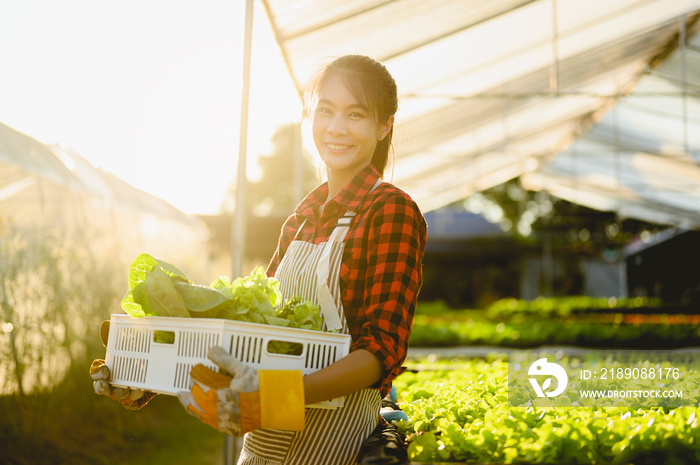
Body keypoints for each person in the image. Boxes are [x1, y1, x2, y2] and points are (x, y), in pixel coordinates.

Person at [92, 54, 427, 464]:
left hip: (334, 444)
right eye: (325, 110)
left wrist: (274, 395)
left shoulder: (391, 211)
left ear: (383, 125)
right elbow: (248, 337)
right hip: (261, 445)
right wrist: (144, 375)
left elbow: (382, 351)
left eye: (355, 114)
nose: (336, 127)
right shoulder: (300, 222)